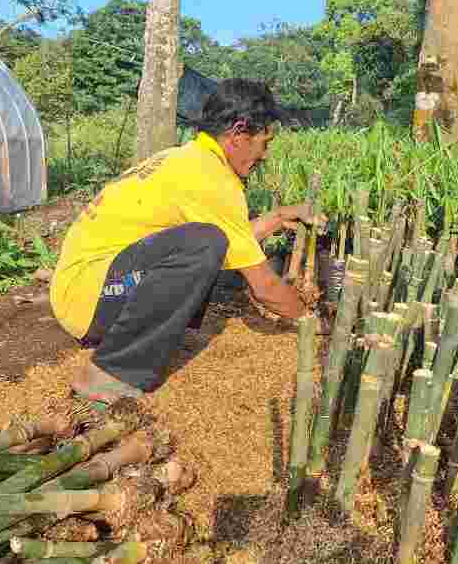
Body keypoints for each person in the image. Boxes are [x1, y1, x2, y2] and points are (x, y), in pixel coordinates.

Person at [49, 78, 325, 406]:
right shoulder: (213, 178)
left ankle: (133, 341)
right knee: (204, 243)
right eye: (265, 142)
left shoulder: (189, 159)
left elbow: (234, 244)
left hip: (85, 287)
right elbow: (263, 286)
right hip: (89, 301)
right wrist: (311, 320)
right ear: (239, 133)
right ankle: (109, 375)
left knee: (207, 242)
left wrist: (277, 217)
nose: (264, 155)